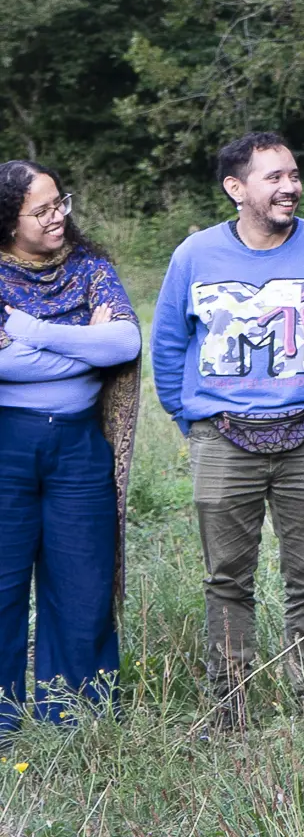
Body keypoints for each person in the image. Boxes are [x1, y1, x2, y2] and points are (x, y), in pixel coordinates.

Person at [150, 132, 304, 727]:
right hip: (221, 438)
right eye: (274, 177)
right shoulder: (194, 255)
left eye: (293, 174)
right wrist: (187, 415)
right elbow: (167, 342)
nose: (290, 186)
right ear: (236, 188)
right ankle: (231, 706)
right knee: (226, 580)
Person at [0, 161, 141, 736]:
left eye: (60, 203)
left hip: (80, 448)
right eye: (41, 210)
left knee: (83, 583)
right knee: (2, 583)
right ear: (7, 221)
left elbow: (124, 341)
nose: (57, 216)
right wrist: (86, 343)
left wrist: (33, 333)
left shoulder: (89, 268)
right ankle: (2, 720)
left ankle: (76, 719)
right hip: (7, 445)